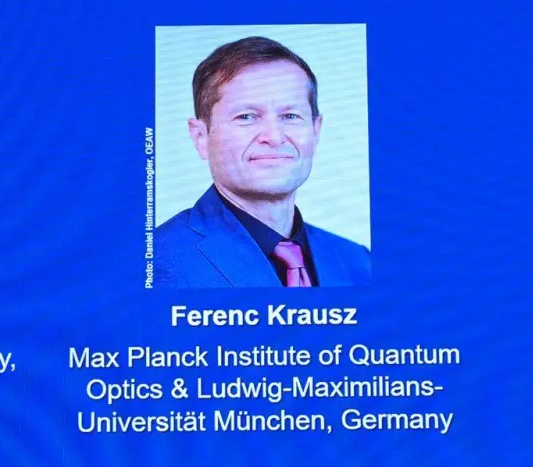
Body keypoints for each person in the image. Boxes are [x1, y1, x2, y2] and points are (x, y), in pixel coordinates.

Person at [154, 36, 371, 288]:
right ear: (201, 137)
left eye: (290, 115)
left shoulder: (359, 262)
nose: (274, 137)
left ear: (315, 130)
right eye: (246, 116)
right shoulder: (155, 264)